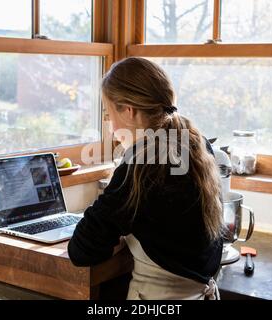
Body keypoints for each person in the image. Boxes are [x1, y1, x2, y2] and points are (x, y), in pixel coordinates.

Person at [68, 57, 225, 300]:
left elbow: (80, 250)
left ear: (129, 110)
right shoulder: (196, 143)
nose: (110, 128)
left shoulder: (142, 167)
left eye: (109, 115)